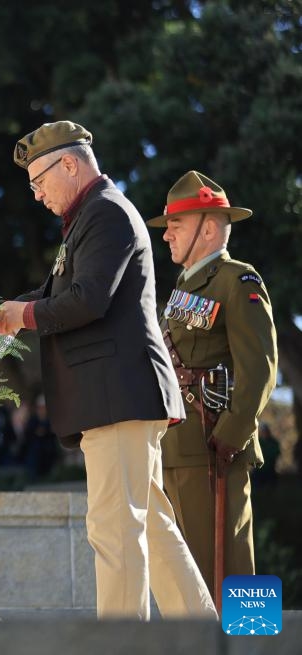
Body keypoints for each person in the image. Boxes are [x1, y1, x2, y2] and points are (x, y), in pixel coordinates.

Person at [0, 122, 215, 620]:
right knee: (150, 528)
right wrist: (1, 312)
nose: (37, 195)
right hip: (119, 395)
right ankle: (203, 634)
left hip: (117, 396)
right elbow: (57, 296)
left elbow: (87, 300)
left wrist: (18, 316)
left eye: (39, 182)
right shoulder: (91, 216)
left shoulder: (105, 212)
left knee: (116, 531)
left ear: (68, 164)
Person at [147, 170, 278, 583]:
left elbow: (260, 366)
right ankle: (200, 648)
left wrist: (231, 435)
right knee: (188, 579)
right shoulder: (184, 287)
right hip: (176, 446)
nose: (166, 235)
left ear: (208, 227)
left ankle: (253, 643)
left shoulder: (237, 281)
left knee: (231, 566)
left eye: (175, 225)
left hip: (213, 447)